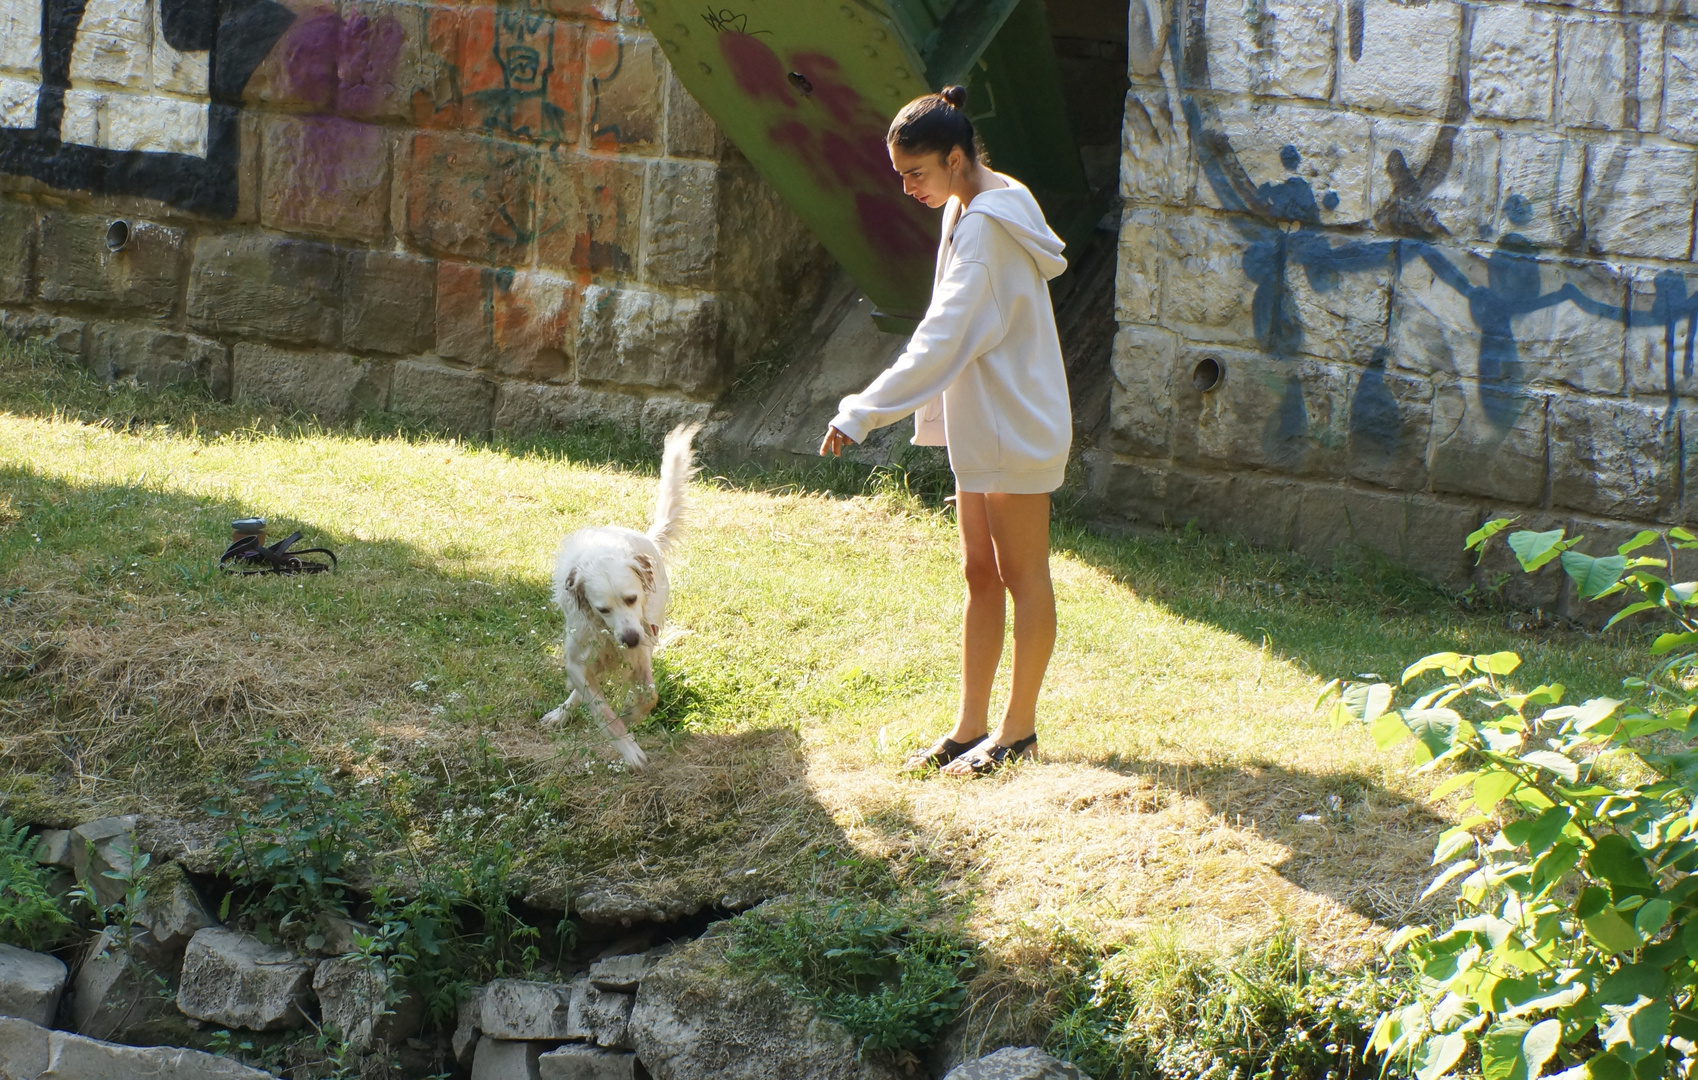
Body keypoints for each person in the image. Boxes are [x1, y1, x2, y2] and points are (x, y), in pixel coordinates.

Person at [819, 85, 1071, 777]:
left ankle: (1017, 734)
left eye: (917, 173)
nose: (907, 189)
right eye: (899, 174)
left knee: (1024, 574)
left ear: (957, 157)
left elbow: (939, 341)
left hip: (1015, 425)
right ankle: (969, 728)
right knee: (979, 573)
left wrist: (862, 410)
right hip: (984, 425)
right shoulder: (965, 204)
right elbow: (952, 336)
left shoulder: (990, 224)